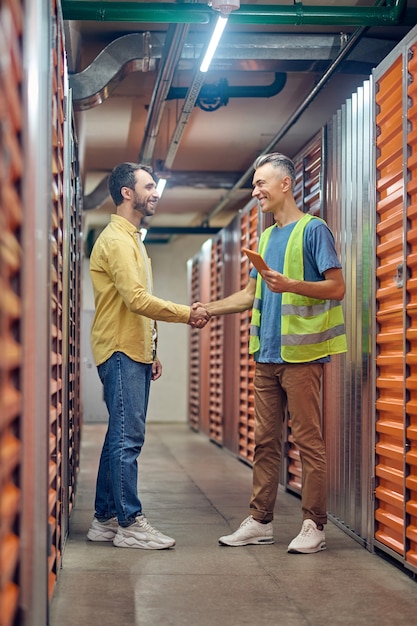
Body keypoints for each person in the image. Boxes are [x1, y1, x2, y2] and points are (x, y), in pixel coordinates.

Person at [197, 152, 347, 553]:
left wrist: (292, 284)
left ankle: (314, 524)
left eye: (261, 183)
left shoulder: (313, 231)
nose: (255, 190)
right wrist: (206, 309)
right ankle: (261, 520)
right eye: (254, 184)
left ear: (285, 184)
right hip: (266, 356)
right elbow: (250, 295)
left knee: (308, 441)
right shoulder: (264, 238)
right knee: (264, 441)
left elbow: (337, 288)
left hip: (302, 357)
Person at [86, 162, 209, 550]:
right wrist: (187, 314)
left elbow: (135, 302)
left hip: (132, 349)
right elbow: (136, 300)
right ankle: (129, 523)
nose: (156, 192)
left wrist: (151, 350)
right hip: (120, 348)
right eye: (149, 186)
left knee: (118, 437)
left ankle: (104, 519)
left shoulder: (133, 239)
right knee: (129, 438)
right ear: (127, 192)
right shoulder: (117, 241)